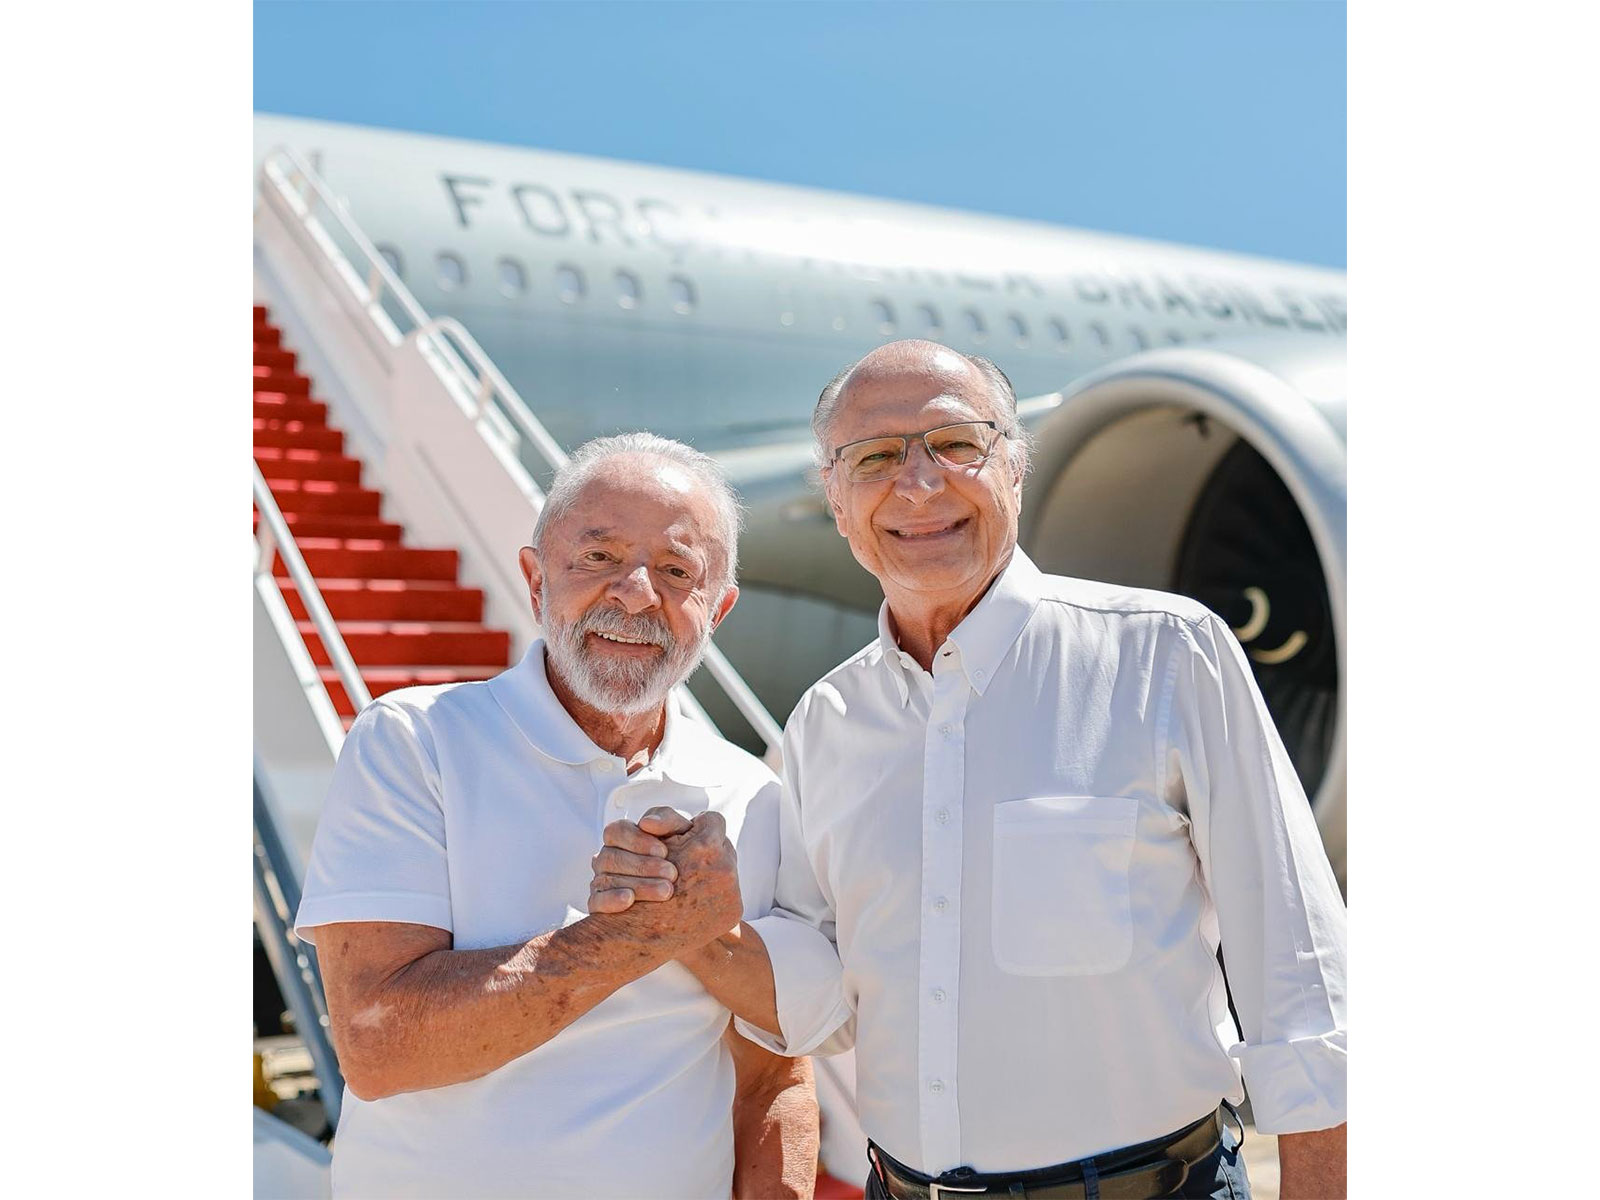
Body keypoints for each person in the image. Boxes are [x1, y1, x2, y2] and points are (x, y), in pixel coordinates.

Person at [592, 342, 1349, 1198]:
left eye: (956, 444)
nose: (918, 484)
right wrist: (694, 924)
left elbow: (1304, 979)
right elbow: (824, 1004)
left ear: (1015, 470)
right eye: (874, 458)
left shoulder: (1168, 656)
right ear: (837, 504)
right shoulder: (824, 726)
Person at [294, 432, 841, 1199]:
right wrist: (630, 936)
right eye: (598, 557)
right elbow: (377, 1050)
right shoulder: (415, 742)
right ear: (534, 580)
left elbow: (773, 1082)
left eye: (677, 572)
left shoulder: (751, 792)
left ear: (717, 609)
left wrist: (706, 938)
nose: (635, 594)